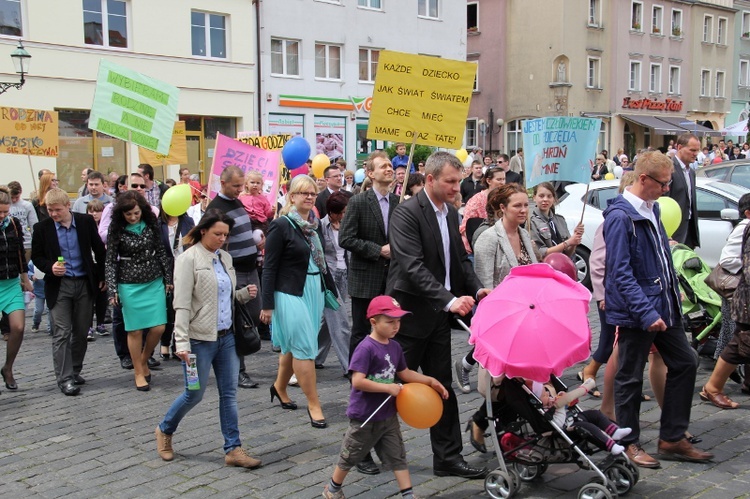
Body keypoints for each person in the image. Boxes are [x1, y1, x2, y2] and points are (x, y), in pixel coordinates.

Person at [602, 150, 713, 468]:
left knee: (685, 362)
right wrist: (646, 312)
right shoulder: (621, 216)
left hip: (664, 305)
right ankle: (627, 442)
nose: (667, 190)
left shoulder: (652, 209)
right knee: (629, 376)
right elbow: (620, 272)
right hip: (638, 312)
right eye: (663, 184)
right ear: (643, 179)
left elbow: (662, 255)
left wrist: (672, 293)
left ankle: (672, 437)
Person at [386, 151, 490, 479]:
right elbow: (412, 267)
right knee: (384, 387)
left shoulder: (449, 213)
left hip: (437, 318)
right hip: (407, 317)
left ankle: (447, 457)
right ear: (430, 180)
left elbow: (460, 261)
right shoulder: (406, 214)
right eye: (450, 181)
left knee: (441, 387)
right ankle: (362, 450)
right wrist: (449, 301)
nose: (456, 188)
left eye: (458, 181)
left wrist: (477, 289)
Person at [155, 210, 261, 469]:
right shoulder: (187, 259)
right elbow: (181, 304)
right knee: (194, 393)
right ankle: (165, 430)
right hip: (197, 341)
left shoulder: (224, 257)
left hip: (227, 339)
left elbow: (222, 297)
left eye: (225, 235)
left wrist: (242, 295)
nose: (222, 239)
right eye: (217, 234)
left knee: (229, 394)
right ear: (203, 230)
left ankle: (233, 448)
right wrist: (181, 342)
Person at [322, 295, 449, 499]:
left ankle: (407, 495)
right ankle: (333, 487)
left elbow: (405, 373)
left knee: (397, 454)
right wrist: (387, 388)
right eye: (390, 322)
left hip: (387, 415)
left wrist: (430, 381)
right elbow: (358, 381)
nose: (396, 326)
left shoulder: (394, 346)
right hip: (365, 415)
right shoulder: (366, 348)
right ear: (373, 322)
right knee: (351, 454)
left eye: (398, 321)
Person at [338, 150, 399, 474]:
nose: (390, 169)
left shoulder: (399, 202)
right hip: (365, 284)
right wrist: (378, 250)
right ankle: (360, 429)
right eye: (383, 166)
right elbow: (346, 238)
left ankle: (382, 432)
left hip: (389, 286)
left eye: (391, 165)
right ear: (370, 173)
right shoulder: (360, 202)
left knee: (385, 350)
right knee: (363, 347)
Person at [462, 184, 536, 448]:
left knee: (518, 380)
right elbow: (483, 286)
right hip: (500, 320)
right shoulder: (489, 238)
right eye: (518, 205)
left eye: (526, 205)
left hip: (525, 317)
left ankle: (483, 423)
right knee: (503, 382)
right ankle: (506, 435)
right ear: (501, 208)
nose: (524, 210)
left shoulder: (525, 235)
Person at [260, 174, 336, 427]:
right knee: (304, 347)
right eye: (303, 192)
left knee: (293, 346)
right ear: (292, 197)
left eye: (313, 193)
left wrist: (331, 290)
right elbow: (269, 268)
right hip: (289, 292)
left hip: (313, 289)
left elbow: (321, 263)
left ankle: (279, 387)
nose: (309, 197)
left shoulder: (312, 226)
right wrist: (267, 304)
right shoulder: (281, 225)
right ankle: (314, 404)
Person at [31, 188, 106, 396]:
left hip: (83, 282)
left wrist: (102, 276)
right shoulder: (42, 228)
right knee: (61, 332)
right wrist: (50, 267)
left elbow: (100, 251)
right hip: (59, 285)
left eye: (57, 210)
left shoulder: (84, 222)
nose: (53, 214)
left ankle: (74, 369)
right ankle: (64, 379)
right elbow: (36, 257)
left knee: (81, 331)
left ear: (67, 206)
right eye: (49, 210)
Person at [105, 191, 173, 391]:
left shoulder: (151, 223)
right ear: (121, 214)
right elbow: (110, 261)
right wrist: (112, 290)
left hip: (153, 281)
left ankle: (144, 359)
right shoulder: (116, 228)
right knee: (134, 330)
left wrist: (168, 278)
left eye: (136, 213)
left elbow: (161, 251)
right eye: (128, 215)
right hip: (129, 284)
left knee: (159, 327)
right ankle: (137, 370)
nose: (133, 217)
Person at [206, 166, 263, 389]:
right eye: (236, 186)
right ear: (223, 183)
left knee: (253, 316)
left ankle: (235, 362)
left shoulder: (236, 202)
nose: (241, 190)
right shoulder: (216, 209)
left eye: (242, 185)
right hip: (233, 271)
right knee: (238, 321)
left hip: (250, 269)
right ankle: (237, 370)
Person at [701, 193, 750, 409]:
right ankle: (712, 388)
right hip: (745, 297)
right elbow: (739, 263)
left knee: (742, 340)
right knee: (740, 341)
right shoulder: (746, 228)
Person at [0, 186, 33, 392]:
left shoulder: (13, 223)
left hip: (11, 282)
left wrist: (25, 278)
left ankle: (8, 368)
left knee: (18, 327)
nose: (3, 215)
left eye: (5, 211)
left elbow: (20, 251)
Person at [316, 192, 352, 374]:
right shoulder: (320, 226)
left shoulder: (348, 224)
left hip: (344, 273)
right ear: (333, 212)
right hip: (327, 275)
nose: (345, 215)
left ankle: (315, 355)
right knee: (341, 321)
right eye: (343, 212)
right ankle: (350, 366)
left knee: (329, 318)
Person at [158, 206, 194, 360]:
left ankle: (178, 345)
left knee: (182, 306)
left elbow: (193, 242)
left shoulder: (187, 221)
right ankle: (165, 342)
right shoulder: (158, 224)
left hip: (184, 267)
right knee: (168, 308)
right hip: (166, 268)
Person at [530, 182, 583, 259]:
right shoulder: (532, 222)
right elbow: (540, 253)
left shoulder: (560, 220)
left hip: (563, 265)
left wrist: (574, 241)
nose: (545, 199)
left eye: (549, 196)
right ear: (534, 197)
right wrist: (567, 243)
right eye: (541, 196)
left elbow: (568, 253)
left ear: (554, 198)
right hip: (545, 267)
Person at [459, 167, 506, 253]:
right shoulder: (476, 200)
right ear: (488, 181)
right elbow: (465, 228)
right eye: (499, 179)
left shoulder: (507, 199)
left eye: (503, 179)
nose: (502, 182)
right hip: (476, 248)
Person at [668, 133, 701, 249]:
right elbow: (663, 201)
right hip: (674, 233)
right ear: (679, 147)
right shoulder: (669, 169)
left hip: (689, 232)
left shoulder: (691, 172)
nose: (695, 154)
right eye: (692, 150)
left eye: (697, 150)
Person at [86, 199, 109, 340]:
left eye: (97, 211)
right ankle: (88, 325)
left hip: (102, 264)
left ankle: (100, 323)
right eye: (91, 211)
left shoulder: (105, 227)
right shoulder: (86, 227)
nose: (94, 214)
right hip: (90, 265)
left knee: (102, 297)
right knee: (89, 298)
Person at [8, 181, 37, 262]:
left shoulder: (27, 205)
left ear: (20, 192)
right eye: (11, 197)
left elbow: (34, 225)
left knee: (24, 269)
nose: (14, 200)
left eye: (16, 197)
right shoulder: (5, 205)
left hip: (26, 243)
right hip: (10, 243)